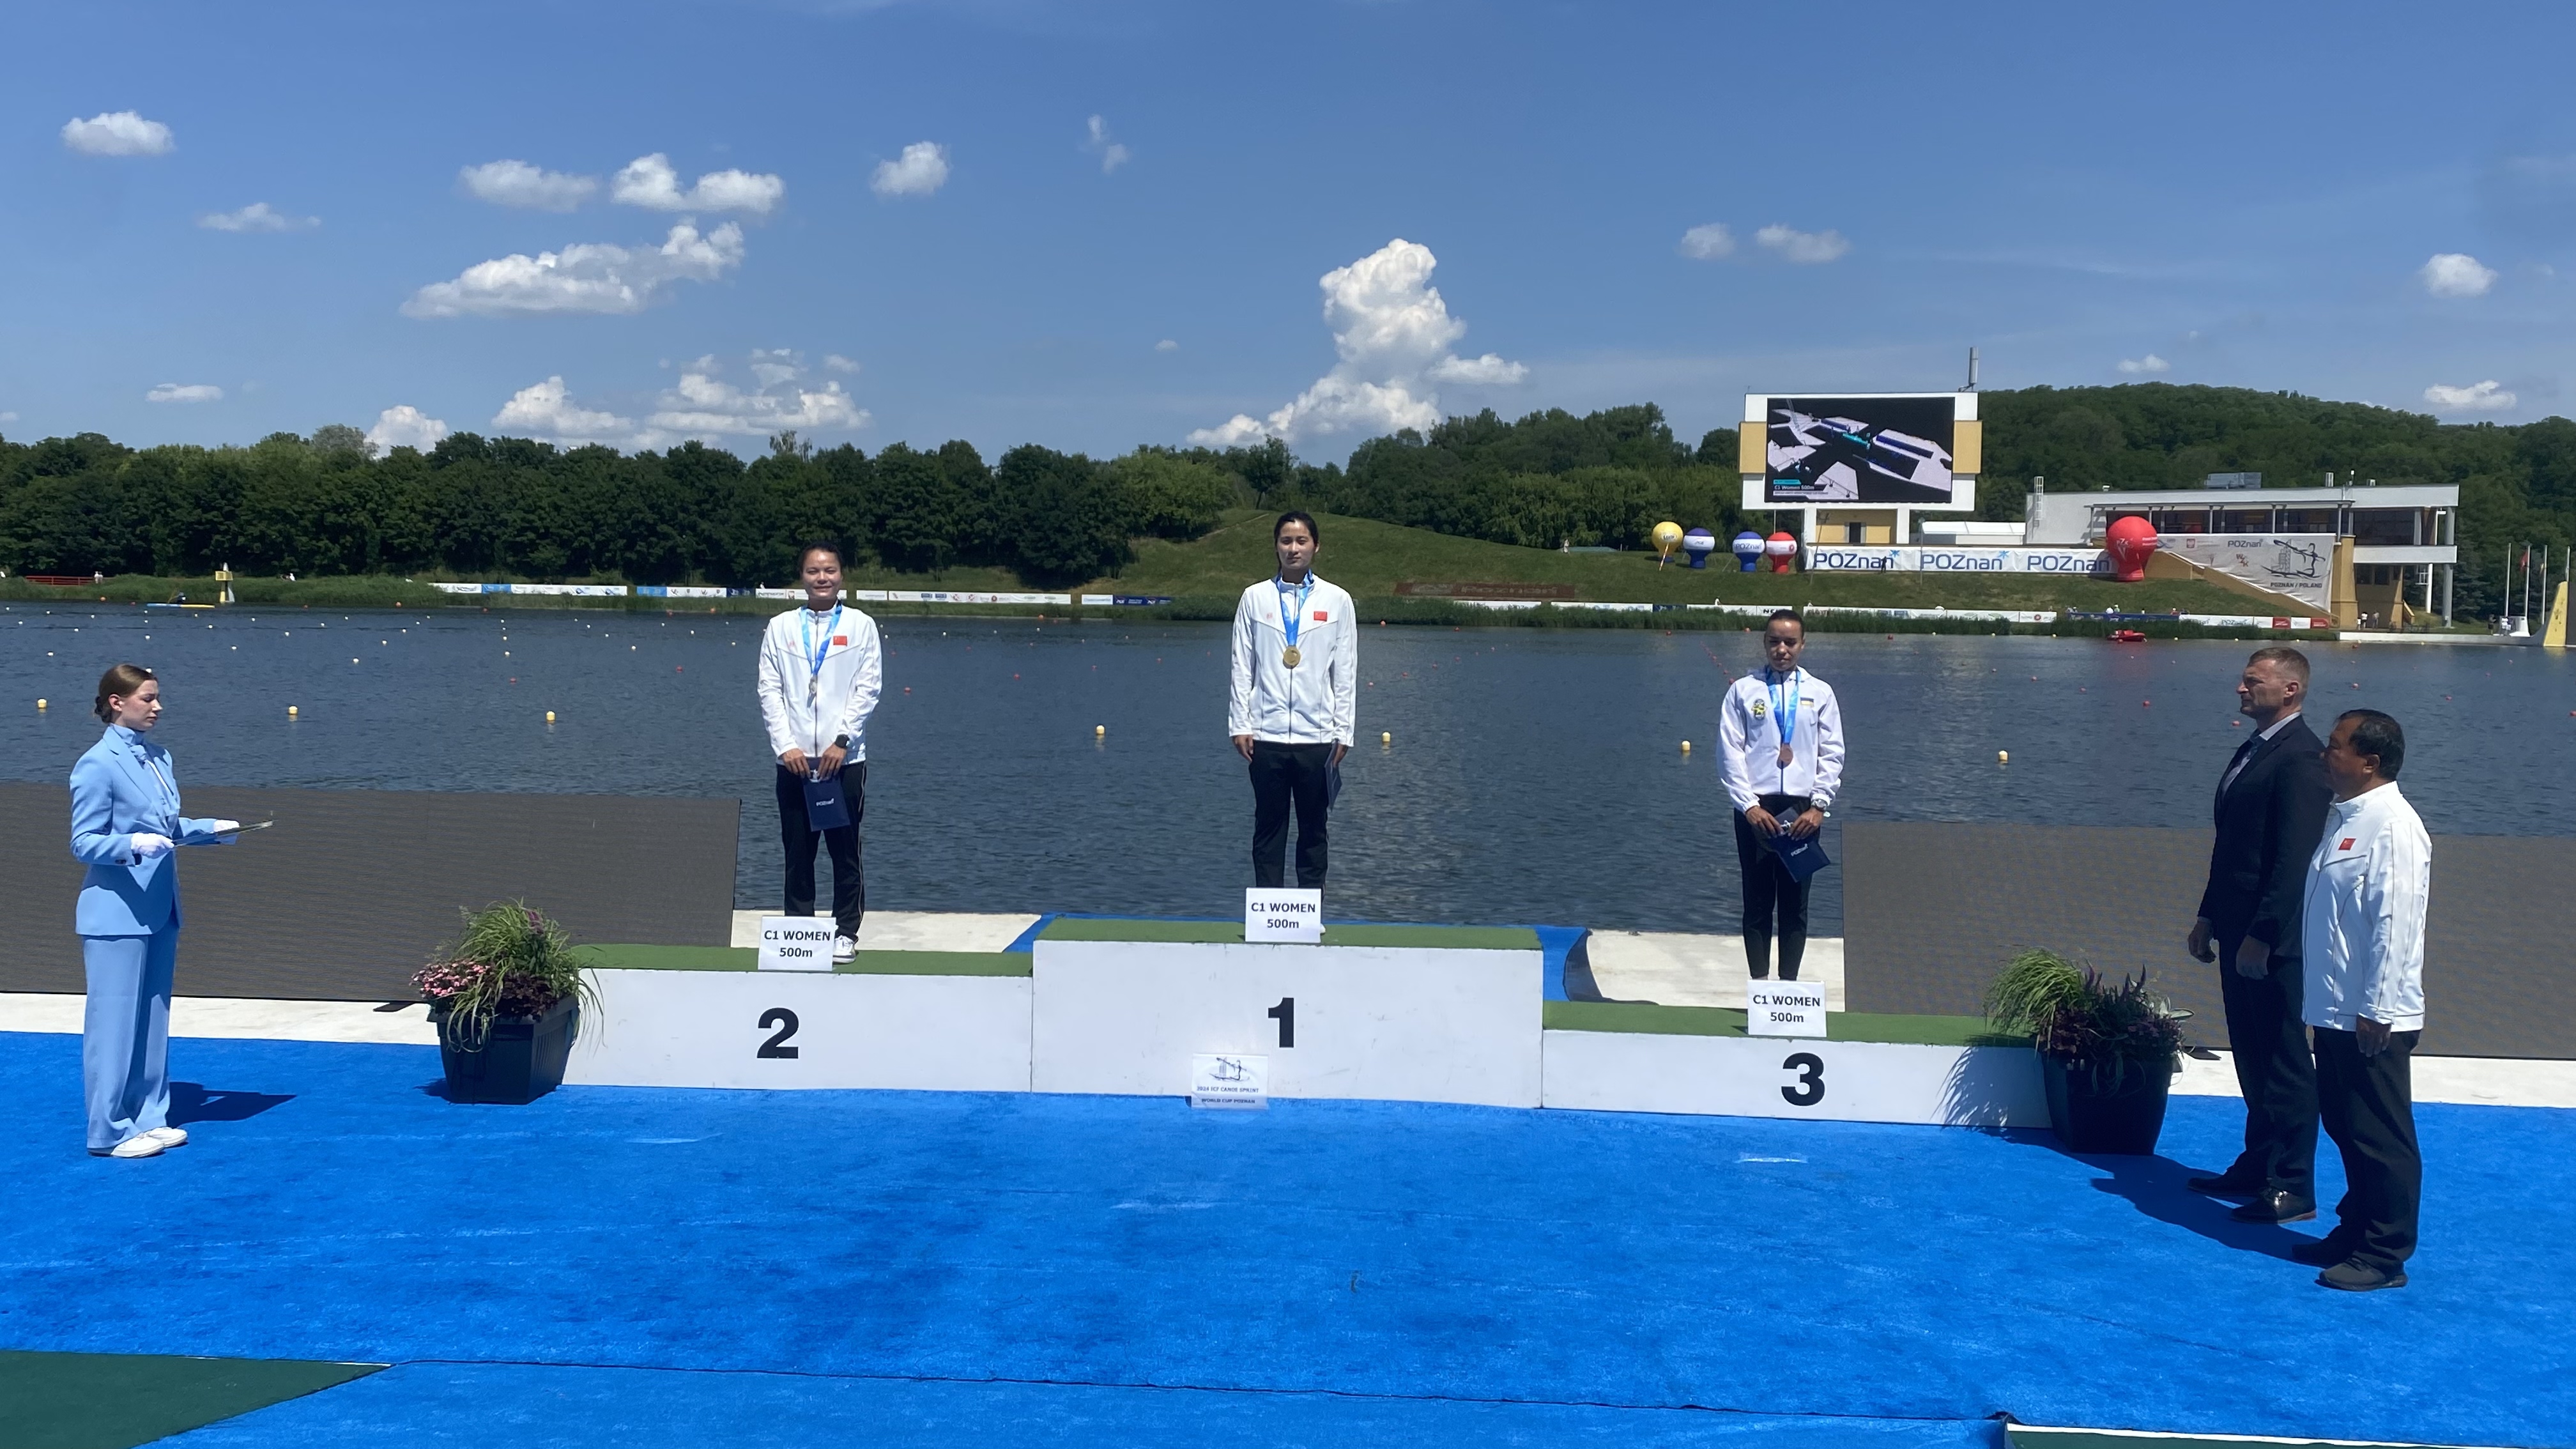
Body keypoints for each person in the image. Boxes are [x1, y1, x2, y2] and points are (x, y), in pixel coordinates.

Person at [2182, 647, 2333, 1224]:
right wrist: (2209, 916)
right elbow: (2233, 849)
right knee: (2249, 1048)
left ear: (2290, 689)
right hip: (2235, 925)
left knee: (2283, 1055)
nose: (2240, 689)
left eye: (2253, 681)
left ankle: (2292, 1183)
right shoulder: (2256, 749)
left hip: (2272, 939)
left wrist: (2264, 935)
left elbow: (2293, 860)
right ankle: (2259, 1161)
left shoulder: (2301, 758)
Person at [68, 664, 238, 1159]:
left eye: (157, 697)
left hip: (161, 907)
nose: (157, 707)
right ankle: (108, 1131)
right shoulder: (96, 764)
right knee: (113, 1026)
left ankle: (148, 1117)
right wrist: (131, 845)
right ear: (116, 702)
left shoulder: (160, 757)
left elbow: (165, 826)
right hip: (115, 912)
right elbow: (84, 841)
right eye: (147, 698)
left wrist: (210, 830)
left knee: (151, 1021)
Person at [2294, 709, 2430, 1292]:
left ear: (2369, 763)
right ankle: (2356, 1229)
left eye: (2336, 746)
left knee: (2380, 1134)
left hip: (2371, 1015)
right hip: (2335, 1008)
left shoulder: (2393, 827)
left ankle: (2384, 1252)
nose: (2326, 755)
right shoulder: (2349, 818)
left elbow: (2396, 923)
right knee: (2346, 1124)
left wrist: (2379, 1006)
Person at [755, 544, 883, 963]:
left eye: (829, 570)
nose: (822, 578)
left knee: (845, 852)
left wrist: (842, 740)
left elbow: (868, 688)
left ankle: (845, 932)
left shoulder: (861, 626)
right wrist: (785, 746)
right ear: (802, 577)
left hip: (843, 761)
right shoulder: (780, 627)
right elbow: (769, 690)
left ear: (842, 575)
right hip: (794, 762)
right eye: (813, 571)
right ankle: (800, 932)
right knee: (798, 854)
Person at [1227, 512, 1356, 890]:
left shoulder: (1337, 600)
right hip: (1265, 736)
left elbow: (1345, 670)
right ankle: (1269, 912)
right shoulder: (1254, 598)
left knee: (1314, 831)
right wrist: (1240, 724)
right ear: (1276, 547)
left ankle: (1310, 912)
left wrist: (1344, 730)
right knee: (1269, 829)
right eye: (1286, 541)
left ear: (1316, 546)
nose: (1293, 549)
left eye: (1302, 541)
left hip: (1317, 737)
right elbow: (1241, 665)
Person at [1714, 610, 1843, 981]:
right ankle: (1760, 988)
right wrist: (1748, 806)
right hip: (1757, 809)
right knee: (1756, 902)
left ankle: (1788, 988)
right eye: (1774, 642)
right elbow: (1729, 752)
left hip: (1803, 811)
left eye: (1790, 642)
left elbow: (1832, 753)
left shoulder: (1820, 693)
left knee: (1795, 905)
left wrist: (1819, 806)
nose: (1782, 650)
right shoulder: (1743, 690)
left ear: (1803, 644)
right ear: (1764, 643)